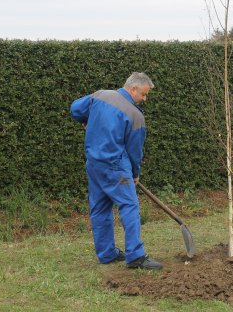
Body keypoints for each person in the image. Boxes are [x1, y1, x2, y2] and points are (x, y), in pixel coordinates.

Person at [70, 72, 163, 270]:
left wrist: (85, 119)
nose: (144, 99)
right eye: (144, 94)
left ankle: (106, 254)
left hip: (94, 164)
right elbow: (134, 151)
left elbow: (75, 109)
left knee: (100, 208)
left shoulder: (100, 95)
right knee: (129, 206)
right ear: (133, 89)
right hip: (115, 168)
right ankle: (136, 256)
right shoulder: (135, 116)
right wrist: (135, 173)